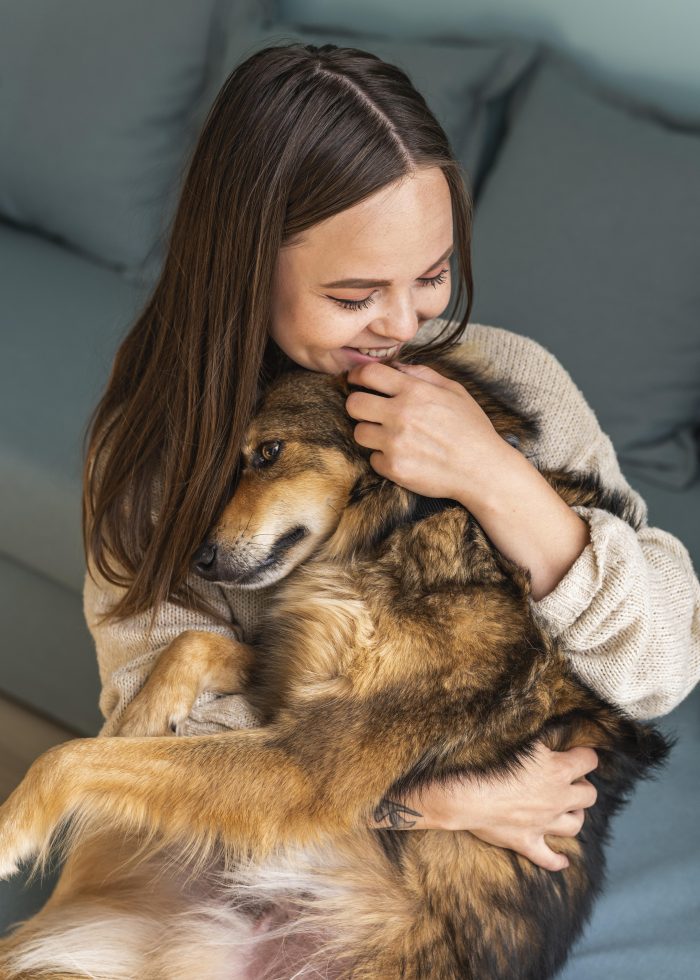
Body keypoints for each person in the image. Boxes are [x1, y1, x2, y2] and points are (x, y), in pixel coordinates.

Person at [83, 41, 700, 878]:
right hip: (256, 854)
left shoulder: (514, 379)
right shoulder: (154, 447)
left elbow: (664, 668)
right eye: (353, 296)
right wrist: (449, 800)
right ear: (244, 266)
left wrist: (497, 477)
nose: (402, 326)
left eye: (434, 276)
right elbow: (153, 732)